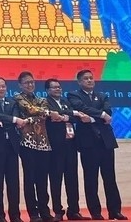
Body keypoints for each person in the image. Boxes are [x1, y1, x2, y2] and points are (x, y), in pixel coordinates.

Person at [67, 70, 127, 221]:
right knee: (91, 178)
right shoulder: (74, 95)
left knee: (110, 178)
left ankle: (115, 211)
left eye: (91, 78)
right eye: (85, 79)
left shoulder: (103, 96)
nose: (89, 80)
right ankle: (96, 212)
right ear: (79, 82)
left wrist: (94, 118)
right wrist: (100, 115)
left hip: (105, 142)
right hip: (88, 143)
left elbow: (108, 112)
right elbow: (82, 110)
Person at [45, 78, 90, 221]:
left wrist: (66, 116)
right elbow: (53, 115)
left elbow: (75, 116)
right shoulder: (45, 102)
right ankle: (58, 211)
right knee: (56, 179)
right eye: (54, 87)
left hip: (70, 145)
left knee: (72, 178)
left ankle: (74, 210)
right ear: (47, 90)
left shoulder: (66, 101)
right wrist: (69, 115)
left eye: (59, 87)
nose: (58, 89)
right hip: (55, 146)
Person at [0, 77, 26, 222]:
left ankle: (15, 215)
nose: (1, 89)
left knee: (13, 182)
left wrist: (4, 122)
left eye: (3, 86)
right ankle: (0, 216)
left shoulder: (13, 102)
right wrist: (12, 121)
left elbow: (15, 116)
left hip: (12, 146)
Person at [14, 71, 53, 222]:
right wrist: (40, 115)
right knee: (29, 179)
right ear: (20, 85)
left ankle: (45, 211)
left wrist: (30, 118)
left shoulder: (42, 99)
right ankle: (33, 213)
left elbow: (42, 115)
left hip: (43, 143)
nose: (30, 85)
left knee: (42, 179)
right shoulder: (17, 98)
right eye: (26, 83)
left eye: (32, 82)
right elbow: (32, 110)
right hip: (27, 142)